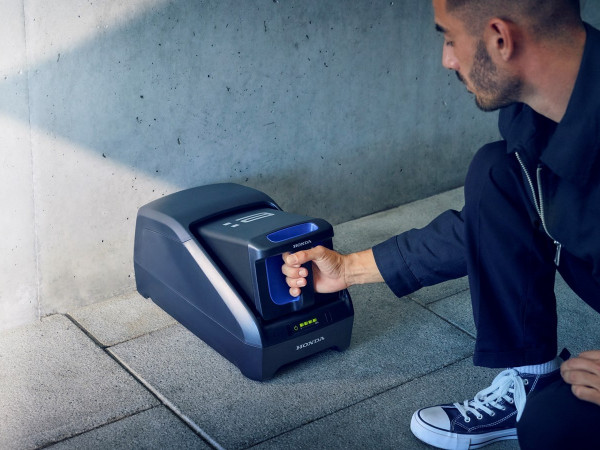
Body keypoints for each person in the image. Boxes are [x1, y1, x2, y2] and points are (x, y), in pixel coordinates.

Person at [282, 0, 600, 448]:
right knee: (496, 172)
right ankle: (532, 378)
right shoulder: (534, 114)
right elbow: (490, 228)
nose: (447, 59)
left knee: (553, 428)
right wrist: (348, 269)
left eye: (449, 39)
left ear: (500, 39)